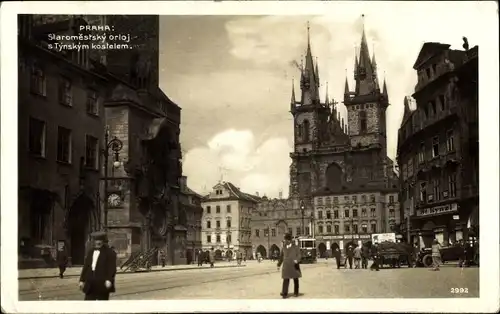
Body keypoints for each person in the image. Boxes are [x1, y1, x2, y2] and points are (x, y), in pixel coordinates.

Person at [79, 231, 117, 300]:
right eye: (96, 240)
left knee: (102, 304)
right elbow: (86, 266)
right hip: (90, 282)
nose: (98, 242)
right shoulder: (91, 252)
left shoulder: (109, 253)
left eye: (100, 240)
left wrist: (109, 280)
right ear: (94, 241)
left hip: (102, 282)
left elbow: (112, 268)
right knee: (88, 303)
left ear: (103, 241)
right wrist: (82, 280)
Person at [277, 233, 301, 298]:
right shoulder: (284, 248)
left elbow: (299, 255)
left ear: (289, 240)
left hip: (294, 265)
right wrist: (278, 265)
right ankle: (284, 293)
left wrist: (297, 260)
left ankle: (296, 292)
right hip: (286, 265)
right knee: (286, 279)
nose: (285, 241)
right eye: (285, 240)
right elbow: (281, 257)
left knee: (295, 279)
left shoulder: (295, 247)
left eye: (286, 240)